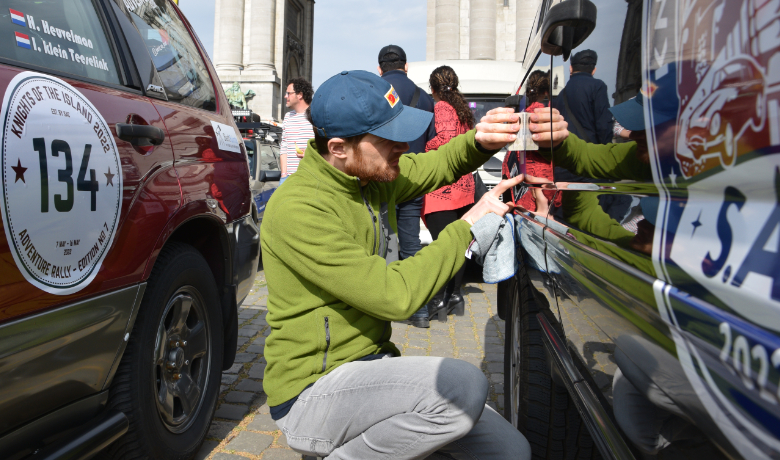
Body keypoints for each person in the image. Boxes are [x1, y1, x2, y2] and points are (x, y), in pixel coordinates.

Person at [260, 69, 567, 459]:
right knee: (462, 386)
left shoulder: (369, 176)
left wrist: (481, 140)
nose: (402, 145)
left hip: (371, 369)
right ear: (337, 147)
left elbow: (435, 165)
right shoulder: (299, 208)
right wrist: (468, 227)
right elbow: (396, 296)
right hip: (313, 391)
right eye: (387, 138)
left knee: (510, 451)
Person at [418, 65, 476, 326]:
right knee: (459, 245)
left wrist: (423, 148)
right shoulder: (463, 107)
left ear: (433, 88)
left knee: (442, 247)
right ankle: (455, 296)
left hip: (443, 187)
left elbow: (445, 138)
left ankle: (440, 298)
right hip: (464, 185)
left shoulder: (441, 106)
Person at [377, 45, 435, 258]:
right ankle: (413, 287)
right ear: (406, 66)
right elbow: (431, 138)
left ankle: (387, 285)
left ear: (379, 69)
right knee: (411, 243)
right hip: (413, 177)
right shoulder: (425, 97)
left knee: (383, 242)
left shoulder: (374, 94)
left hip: (381, 176)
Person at [552, 49, 613, 145]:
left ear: (571, 68)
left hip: (566, 150)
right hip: (590, 151)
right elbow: (604, 124)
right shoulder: (598, 86)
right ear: (594, 70)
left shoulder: (561, 94)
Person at [279, 77, 314, 185]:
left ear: (300, 95)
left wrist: (308, 153)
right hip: (289, 178)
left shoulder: (315, 116)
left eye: (288, 93)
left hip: (310, 176)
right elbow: (284, 148)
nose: (285, 96)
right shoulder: (288, 117)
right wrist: (284, 175)